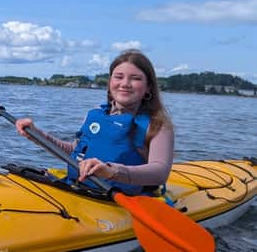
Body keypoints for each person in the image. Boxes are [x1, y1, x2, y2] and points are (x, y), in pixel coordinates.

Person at [14, 49, 174, 195]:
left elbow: (160, 172)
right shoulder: (95, 114)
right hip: (77, 189)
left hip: (119, 200)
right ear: (110, 82)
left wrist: (112, 172)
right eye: (118, 77)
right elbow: (74, 152)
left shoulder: (157, 126)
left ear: (148, 87)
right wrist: (36, 135)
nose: (125, 84)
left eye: (136, 78)